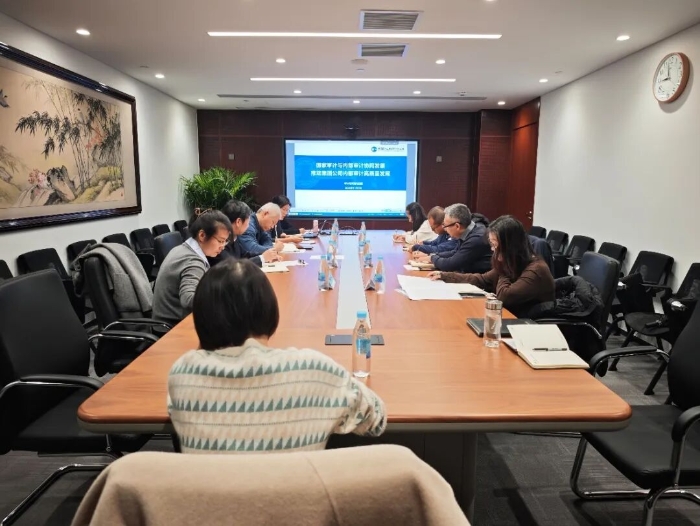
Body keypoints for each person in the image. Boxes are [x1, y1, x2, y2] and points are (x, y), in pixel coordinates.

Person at [167, 259, 387, 453]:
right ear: (270, 311)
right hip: (295, 489)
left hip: (214, 490)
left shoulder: (182, 373)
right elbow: (377, 421)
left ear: (201, 316)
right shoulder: (314, 370)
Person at [429, 215, 555, 317]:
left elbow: (504, 296)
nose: (492, 249)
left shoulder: (536, 269)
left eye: (495, 245)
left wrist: (503, 267)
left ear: (510, 246)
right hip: (510, 318)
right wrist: (444, 276)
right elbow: (482, 279)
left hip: (528, 326)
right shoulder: (515, 263)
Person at [153, 210, 232, 326]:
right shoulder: (193, 262)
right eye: (220, 241)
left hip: (166, 321)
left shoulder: (181, 249)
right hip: (173, 327)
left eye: (225, 241)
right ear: (202, 235)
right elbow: (188, 299)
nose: (223, 246)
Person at [413, 203, 491, 273]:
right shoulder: (467, 231)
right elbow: (454, 252)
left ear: (457, 226)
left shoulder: (476, 238)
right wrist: (431, 256)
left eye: (445, 226)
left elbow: (452, 264)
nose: (445, 229)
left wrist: (432, 258)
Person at [208, 200, 280, 267]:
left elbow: (244, 255)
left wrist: (268, 255)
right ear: (238, 222)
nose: (248, 226)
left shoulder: (234, 236)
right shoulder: (221, 239)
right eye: (248, 222)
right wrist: (262, 258)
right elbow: (232, 267)